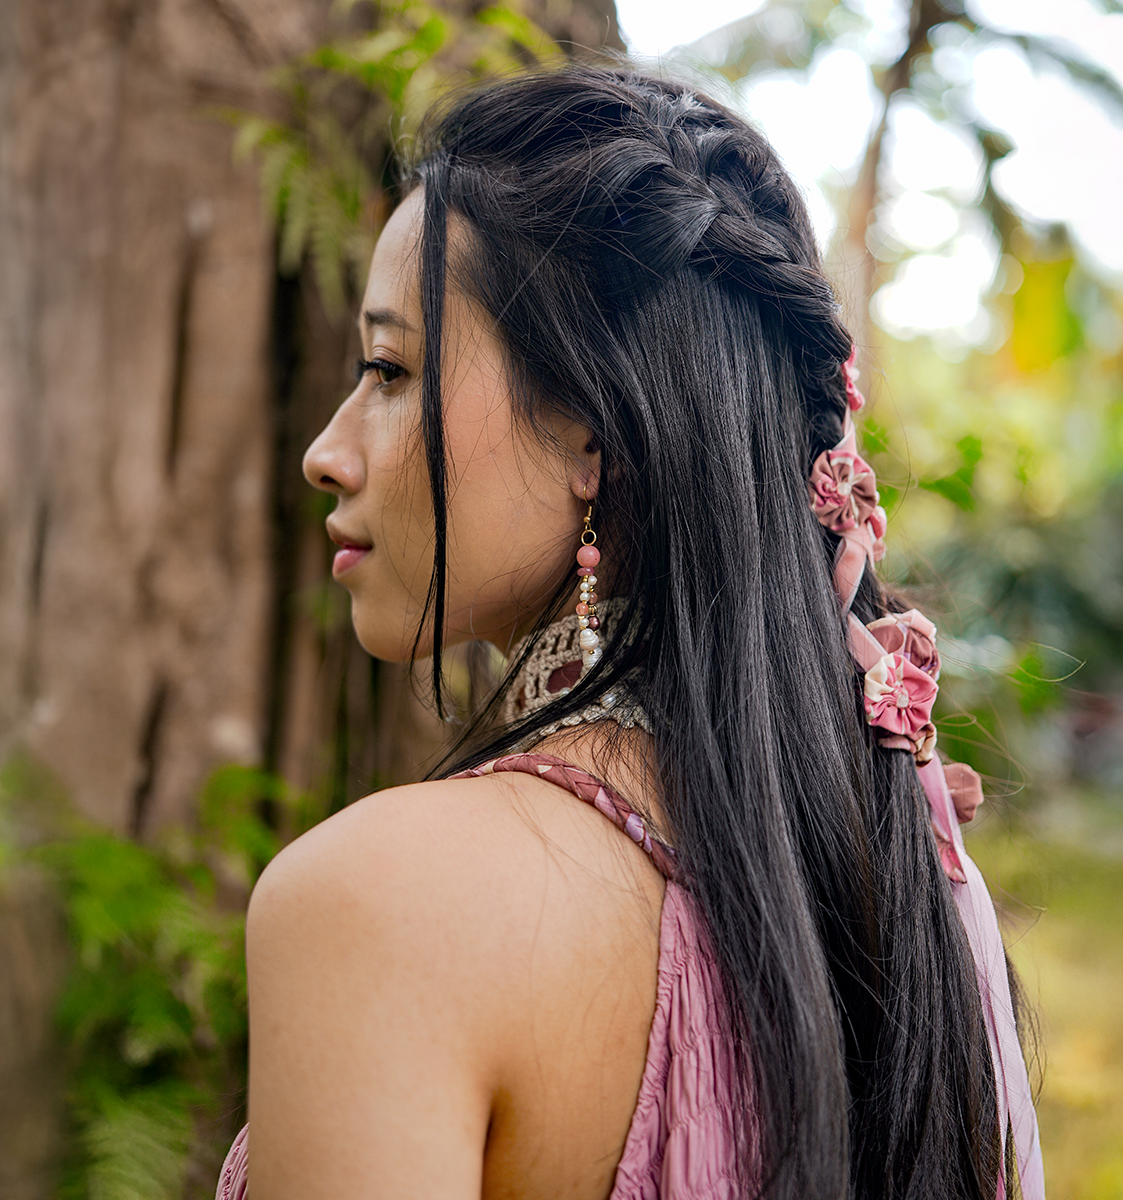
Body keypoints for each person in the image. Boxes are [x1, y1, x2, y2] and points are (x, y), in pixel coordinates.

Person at [216, 65, 1043, 1200]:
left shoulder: (381, 905)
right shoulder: (897, 877)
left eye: (390, 368)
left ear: (592, 438)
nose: (328, 448)